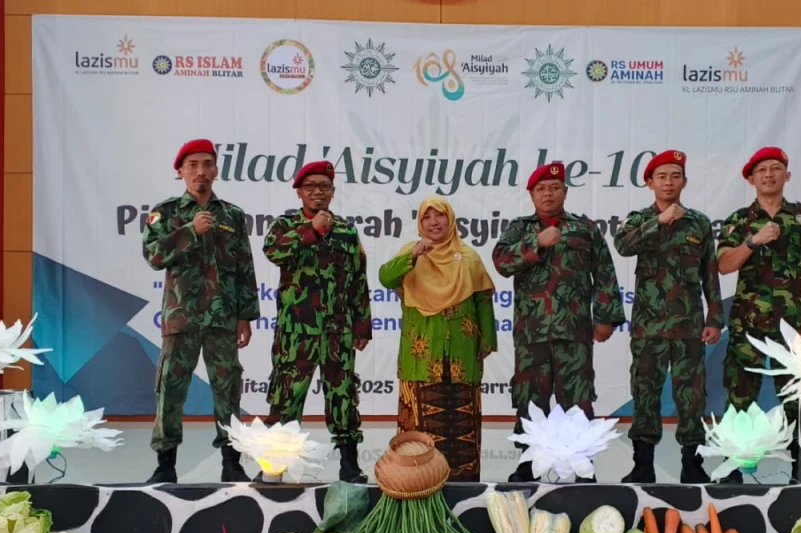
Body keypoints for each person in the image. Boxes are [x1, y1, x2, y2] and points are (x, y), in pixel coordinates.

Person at [493, 162, 626, 483]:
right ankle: (527, 465)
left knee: (577, 400)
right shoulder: (520, 229)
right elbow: (501, 262)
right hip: (532, 332)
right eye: (541, 189)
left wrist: (606, 317)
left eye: (555, 188)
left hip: (574, 331)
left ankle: (583, 468)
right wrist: (537, 243)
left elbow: (604, 272)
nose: (548, 194)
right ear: (531, 194)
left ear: (565, 192)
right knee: (529, 399)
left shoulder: (584, 228)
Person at [143, 138, 259, 484]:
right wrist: (190, 231)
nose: (200, 172)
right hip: (182, 317)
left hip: (222, 319)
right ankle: (165, 463)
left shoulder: (232, 215)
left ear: (216, 170)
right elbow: (153, 255)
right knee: (170, 389)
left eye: (207, 164)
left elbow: (244, 267)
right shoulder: (166, 213)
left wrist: (244, 316)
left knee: (228, 390)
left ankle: (231, 459)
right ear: (180, 171)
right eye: (192, 165)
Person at [614, 150, 724, 484]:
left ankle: (692, 464)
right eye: (661, 176)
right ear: (650, 182)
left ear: (685, 182)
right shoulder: (638, 220)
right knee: (645, 392)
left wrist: (715, 318)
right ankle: (642, 465)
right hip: (649, 327)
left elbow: (710, 274)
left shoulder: (699, 223)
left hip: (689, 325)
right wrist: (657, 223)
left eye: (676, 176)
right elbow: (623, 246)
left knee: (691, 396)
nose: (669, 182)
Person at [717, 146, 801, 483]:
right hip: (747, 320)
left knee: (794, 394)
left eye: (775, 168)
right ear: (751, 179)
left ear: (786, 176)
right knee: (740, 394)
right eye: (761, 170)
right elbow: (724, 265)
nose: (768, 174)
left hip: (793, 322)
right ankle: (736, 464)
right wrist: (753, 241)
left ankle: (798, 465)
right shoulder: (738, 220)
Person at [263, 161, 372, 483]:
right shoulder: (286, 224)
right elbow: (274, 252)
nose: (317, 191)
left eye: (324, 186)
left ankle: (349, 464)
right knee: (286, 396)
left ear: (333, 192)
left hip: (338, 330)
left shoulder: (346, 231)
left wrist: (362, 325)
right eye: (310, 186)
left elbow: (358, 279)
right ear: (299, 191)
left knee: (343, 396)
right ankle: (275, 464)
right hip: (297, 330)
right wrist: (310, 231)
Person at [379, 196, 497, 481]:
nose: (434, 222)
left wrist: (488, 340)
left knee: (462, 421)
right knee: (419, 425)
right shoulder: (410, 254)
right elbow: (385, 278)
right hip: (421, 355)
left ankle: (464, 484)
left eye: (440, 216)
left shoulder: (468, 257)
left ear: (450, 219)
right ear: (420, 223)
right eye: (427, 217)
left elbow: (482, 300)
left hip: (462, 352)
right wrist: (413, 256)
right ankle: (417, 481)